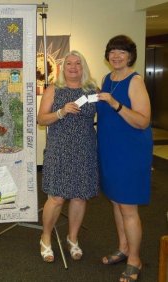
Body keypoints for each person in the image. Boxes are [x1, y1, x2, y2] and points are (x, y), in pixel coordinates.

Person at [96, 35, 153, 282]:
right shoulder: (107, 79)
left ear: (130, 56)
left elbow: (143, 121)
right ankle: (123, 247)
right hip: (110, 149)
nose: (116, 56)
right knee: (117, 202)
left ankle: (135, 259)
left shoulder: (135, 81)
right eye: (112, 51)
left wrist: (115, 103)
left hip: (130, 151)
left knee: (128, 206)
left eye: (122, 52)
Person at [37, 50, 99, 263]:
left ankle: (73, 238)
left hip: (85, 149)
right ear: (63, 68)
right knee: (56, 197)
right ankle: (45, 237)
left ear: (84, 67)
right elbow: (41, 119)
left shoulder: (93, 90)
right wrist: (61, 112)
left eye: (78, 64)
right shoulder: (54, 89)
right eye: (69, 64)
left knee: (80, 196)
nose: (73, 67)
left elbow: (108, 117)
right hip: (59, 149)